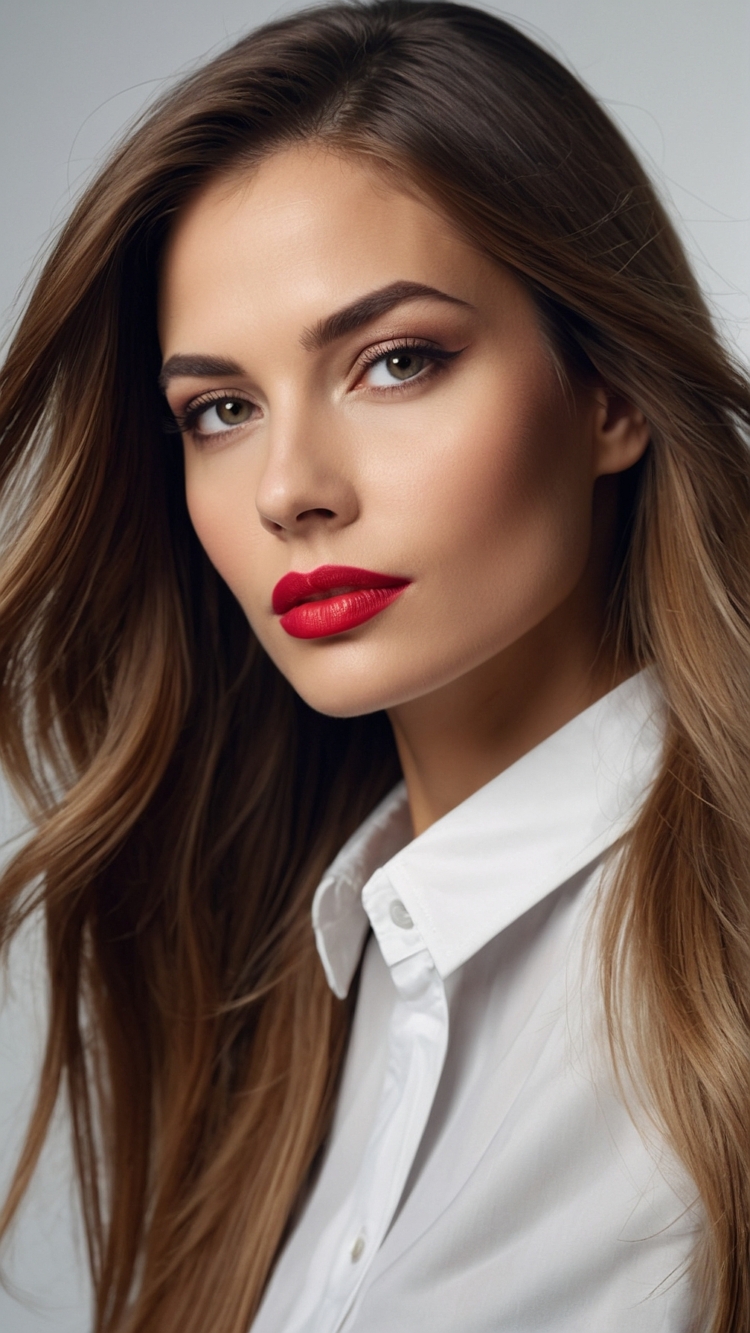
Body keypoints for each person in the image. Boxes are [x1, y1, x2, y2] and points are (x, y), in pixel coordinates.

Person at [0, 1, 749, 1329]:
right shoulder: (274, 1009)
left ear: (608, 392)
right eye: (219, 409)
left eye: (396, 361)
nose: (290, 488)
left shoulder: (717, 985)